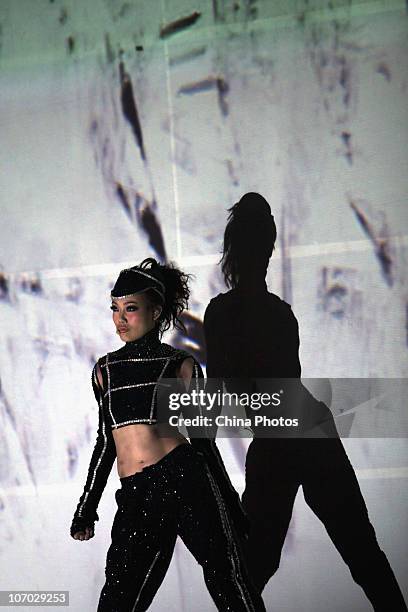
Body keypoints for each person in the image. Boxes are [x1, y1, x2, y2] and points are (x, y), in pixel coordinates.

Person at [203, 193, 407, 611]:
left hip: (289, 438)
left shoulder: (230, 314)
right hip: (305, 433)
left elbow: (228, 391)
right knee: (358, 552)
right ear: (265, 247)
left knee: (257, 567)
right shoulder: (277, 315)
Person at [70, 257, 266, 612]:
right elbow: (105, 443)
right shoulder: (105, 371)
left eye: (131, 309)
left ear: (156, 312)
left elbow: (203, 444)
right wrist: (87, 507)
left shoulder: (180, 365)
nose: (120, 318)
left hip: (185, 479)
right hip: (137, 495)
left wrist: (234, 509)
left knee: (227, 580)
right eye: (115, 309)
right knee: (117, 599)